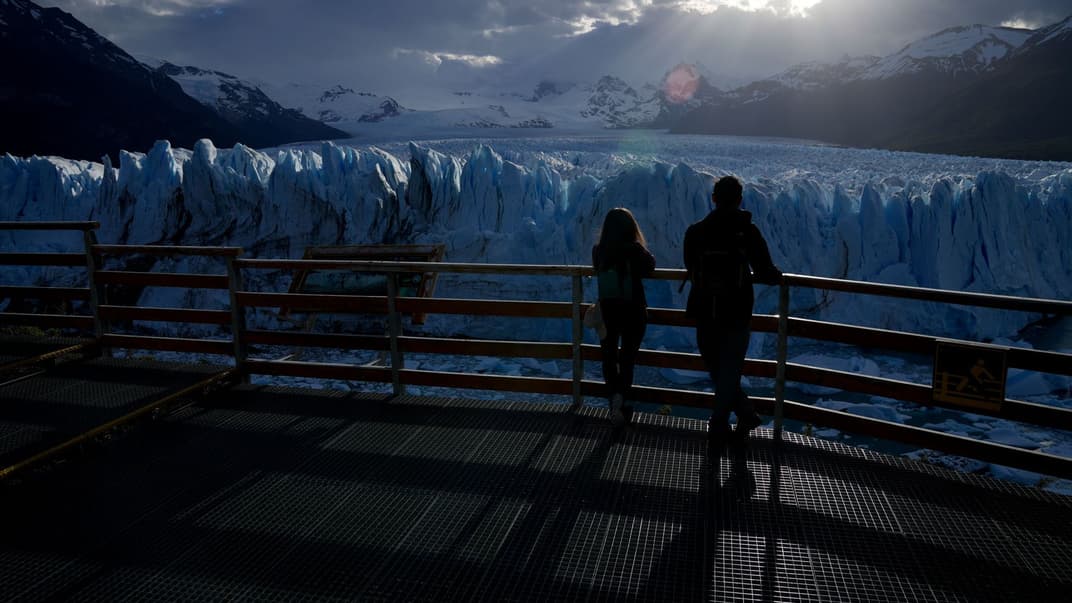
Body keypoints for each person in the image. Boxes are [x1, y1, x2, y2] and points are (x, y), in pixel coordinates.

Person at [684, 176, 781, 447]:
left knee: (717, 368)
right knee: (730, 368)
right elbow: (765, 269)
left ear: (713, 199)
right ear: (740, 200)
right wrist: (774, 275)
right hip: (737, 310)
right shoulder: (746, 231)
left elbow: (690, 266)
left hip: (704, 308)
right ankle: (724, 421)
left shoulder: (696, 231)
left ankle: (738, 417)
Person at [593, 207, 656, 426]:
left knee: (609, 358)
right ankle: (621, 401)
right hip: (633, 311)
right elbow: (651, 266)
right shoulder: (635, 250)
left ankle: (613, 401)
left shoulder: (599, 250)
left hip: (608, 312)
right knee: (627, 359)